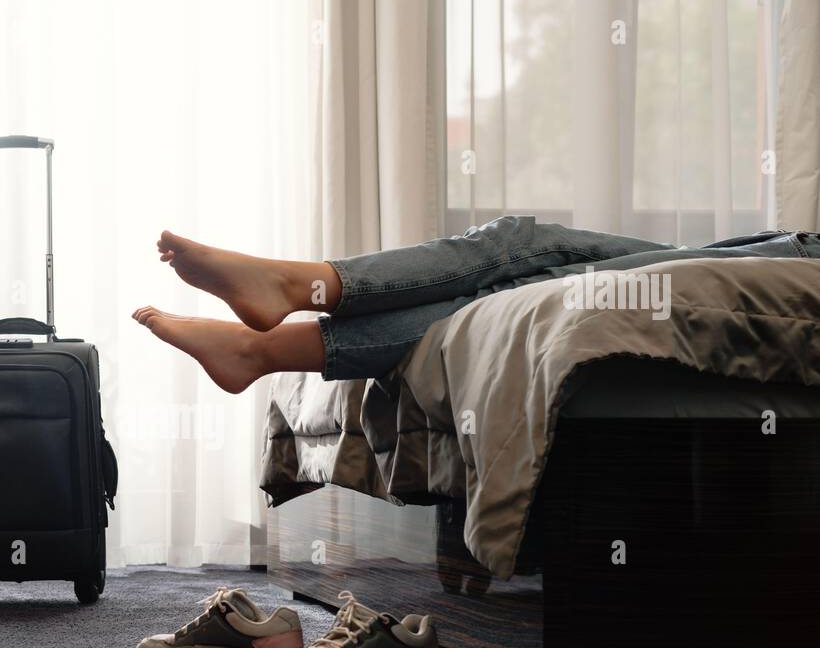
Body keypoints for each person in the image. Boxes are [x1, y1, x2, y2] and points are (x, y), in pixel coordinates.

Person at [132, 215, 820, 389]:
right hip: (787, 244)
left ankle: (267, 333)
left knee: (522, 292)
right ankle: (285, 304)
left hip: (798, 259)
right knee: (521, 240)